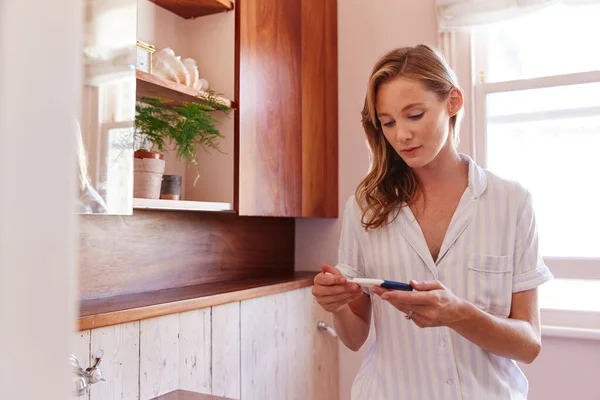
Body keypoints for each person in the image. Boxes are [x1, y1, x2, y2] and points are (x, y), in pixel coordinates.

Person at [312, 45, 553, 400]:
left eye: (414, 115)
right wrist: (336, 306)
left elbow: (528, 346)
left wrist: (458, 314)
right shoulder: (365, 208)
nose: (401, 136)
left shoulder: (511, 202)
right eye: (388, 122)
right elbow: (354, 337)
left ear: (452, 102)